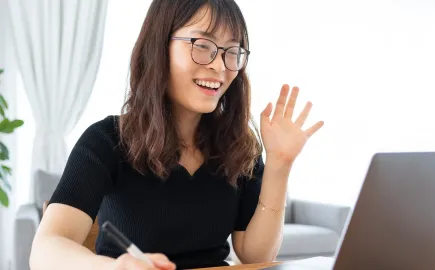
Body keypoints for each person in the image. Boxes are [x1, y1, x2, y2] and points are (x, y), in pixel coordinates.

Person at [29, 0, 324, 269]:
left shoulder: (238, 144)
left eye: (232, 52)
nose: (220, 66)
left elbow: (256, 256)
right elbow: (46, 250)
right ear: (159, 46)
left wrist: (279, 165)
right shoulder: (106, 140)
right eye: (202, 44)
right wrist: (116, 267)